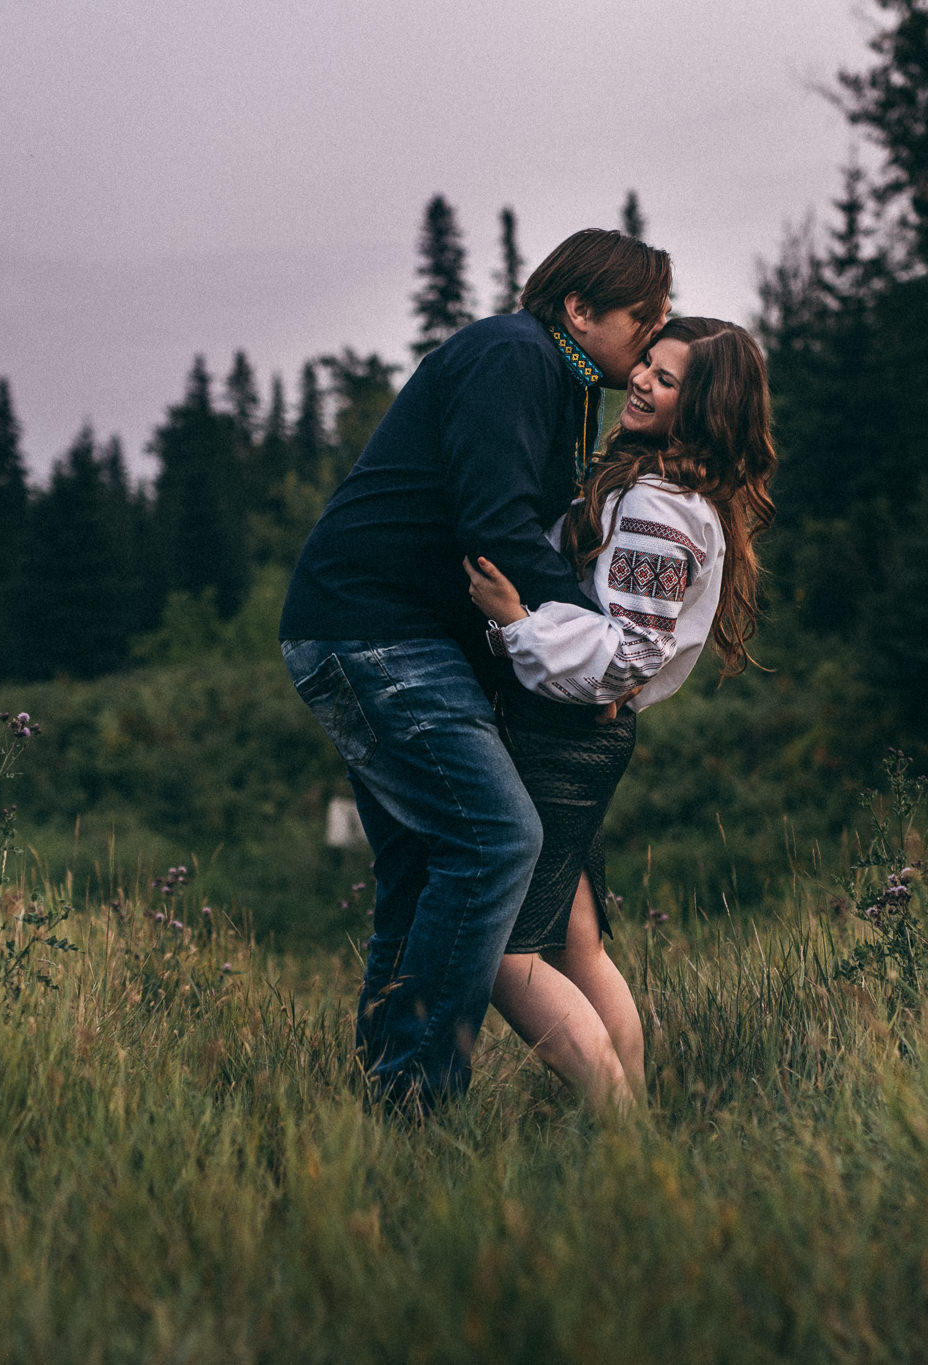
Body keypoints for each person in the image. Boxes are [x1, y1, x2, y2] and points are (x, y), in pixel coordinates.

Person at [280, 228, 672, 1115]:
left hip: (380, 635)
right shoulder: (513, 355)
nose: (654, 340)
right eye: (643, 318)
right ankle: (418, 1099)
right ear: (581, 309)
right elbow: (493, 528)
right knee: (497, 839)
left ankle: (390, 1105)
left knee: (423, 866)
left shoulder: (558, 379)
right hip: (373, 633)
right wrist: (601, 652)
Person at [464, 317, 778, 1111]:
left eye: (666, 380)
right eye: (647, 362)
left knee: (501, 947)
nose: (639, 378)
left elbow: (628, 657)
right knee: (575, 942)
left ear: (701, 409)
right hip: (574, 733)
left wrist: (515, 622)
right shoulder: (665, 491)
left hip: (562, 734)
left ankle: (620, 1125)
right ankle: (633, 1122)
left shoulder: (659, 509)